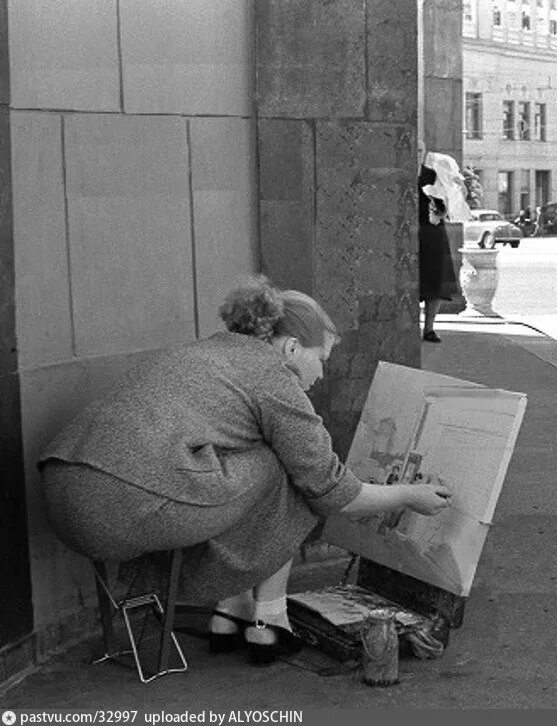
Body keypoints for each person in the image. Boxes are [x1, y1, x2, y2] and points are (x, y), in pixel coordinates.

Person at [38, 278, 453, 665]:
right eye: (321, 359)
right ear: (291, 349)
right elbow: (331, 490)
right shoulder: (272, 377)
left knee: (256, 463)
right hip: (125, 504)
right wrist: (410, 495)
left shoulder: (208, 352)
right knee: (292, 470)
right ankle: (268, 622)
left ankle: (231, 611)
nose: (322, 373)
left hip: (61, 492)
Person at [419, 153, 469, 343]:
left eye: (419, 151)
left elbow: (454, 202)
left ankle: (429, 329)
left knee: (435, 282)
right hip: (409, 233)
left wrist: (458, 186)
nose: (415, 155)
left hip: (433, 233)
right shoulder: (403, 174)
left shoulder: (435, 175)